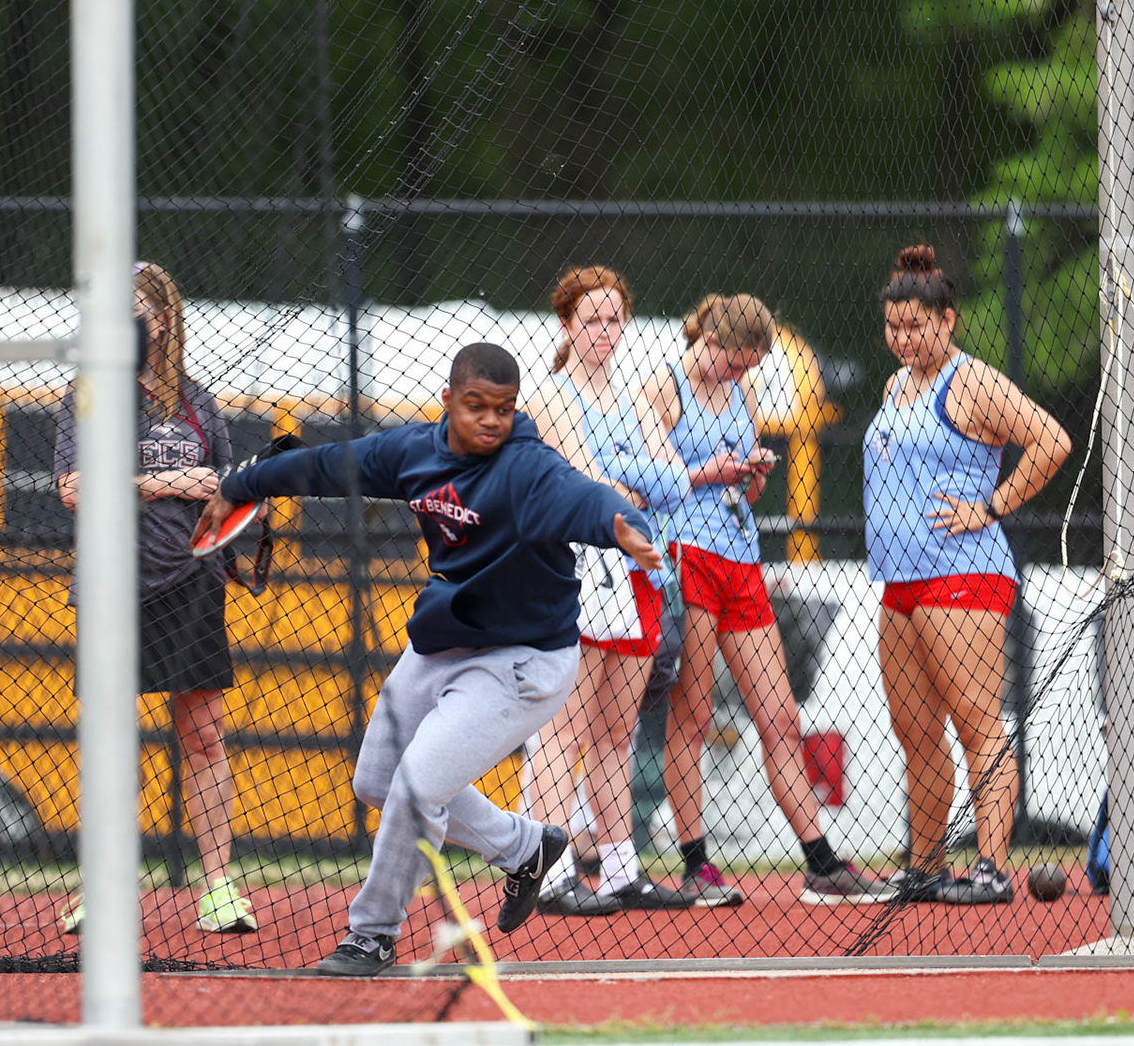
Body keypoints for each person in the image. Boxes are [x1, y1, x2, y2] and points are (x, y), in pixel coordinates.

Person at [197, 342, 664, 976]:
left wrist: (624, 525)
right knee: (376, 784)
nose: (491, 421)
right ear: (448, 402)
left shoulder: (526, 468)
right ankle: (524, 846)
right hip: (442, 645)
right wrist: (238, 485)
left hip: (522, 661)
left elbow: (583, 497)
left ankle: (372, 934)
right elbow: (331, 465)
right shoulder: (415, 452)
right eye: (476, 407)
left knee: (417, 788)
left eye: (503, 409)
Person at [643, 294, 885, 907]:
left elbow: (741, 494)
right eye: (735, 363)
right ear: (713, 342)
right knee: (692, 716)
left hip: (740, 556)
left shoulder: (741, 393)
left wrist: (751, 476)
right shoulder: (663, 387)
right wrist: (711, 473)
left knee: (779, 716)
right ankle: (697, 863)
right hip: (686, 556)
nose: (740, 376)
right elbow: (660, 479)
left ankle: (821, 861)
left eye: (750, 367)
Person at [862, 245, 1070, 906]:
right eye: (894, 327)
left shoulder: (971, 381)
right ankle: (925, 867)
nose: (903, 338)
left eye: (915, 327)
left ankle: (988, 867)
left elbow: (1051, 440)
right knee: (916, 732)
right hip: (900, 580)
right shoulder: (895, 385)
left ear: (947, 321)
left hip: (963, 574)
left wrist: (991, 506)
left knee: (977, 723)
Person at [54, 260, 256, 936]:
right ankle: (100, 891)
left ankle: (220, 888)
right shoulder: (89, 392)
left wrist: (232, 529)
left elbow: (227, 493)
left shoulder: (198, 403)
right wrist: (164, 484)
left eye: (133, 306)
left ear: (161, 319)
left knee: (204, 736)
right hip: (111, 590)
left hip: (190, 584)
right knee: (111, 743)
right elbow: (75, 489)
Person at [524, 266, 693, 915]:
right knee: (563, 729)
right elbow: (594, 487)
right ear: (568, 324)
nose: (604, 331)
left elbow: (673, 480)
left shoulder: (637, 401)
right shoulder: (554, 396)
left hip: (640, 570)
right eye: (591, 319)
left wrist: (632, 480)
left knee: (618, 730)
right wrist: (636, 480)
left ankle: (621, 870)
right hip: (583, 572)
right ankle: (550, 869)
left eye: (613, 319)